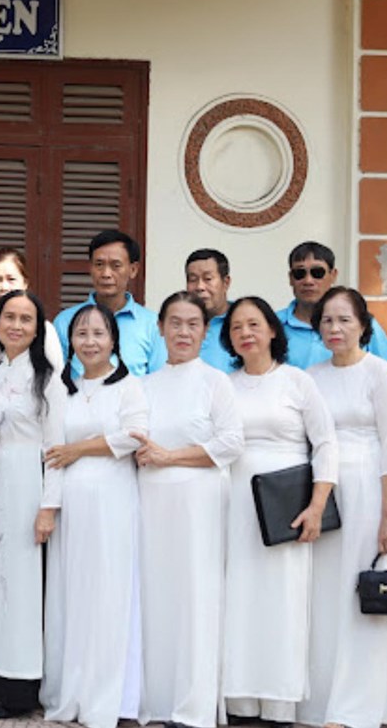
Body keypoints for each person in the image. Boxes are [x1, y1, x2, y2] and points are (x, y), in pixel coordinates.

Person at [219, 296, 338, 726]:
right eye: (236, 327)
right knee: (238, 599)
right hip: (235, 504)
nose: (245, 333)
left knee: (283, 602)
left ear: (272, 330)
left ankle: (279, 702)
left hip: (287, 506)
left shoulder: (297, 382)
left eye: (254, 324)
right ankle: (240, 701)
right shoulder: (224, 385)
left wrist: (317, 505)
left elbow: (325, 443)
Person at [298, 287, 387, 728]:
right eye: (327, 320)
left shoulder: (381, 375)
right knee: (324, 594)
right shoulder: (312, 377)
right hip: (323, 491)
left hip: (368, 492)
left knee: (363, 590)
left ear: (363, 325)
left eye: (344, 319)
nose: (335, 328)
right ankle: (320, 700)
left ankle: (358, 704)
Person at [136, 291, 244, 728]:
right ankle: (154, 700)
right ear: (160, 328)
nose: (183, 332)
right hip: (151, 501)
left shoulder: (216, 383)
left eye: (193, 324)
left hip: (200, 502)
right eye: (175, 323)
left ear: (205, 331)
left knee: (196, 598)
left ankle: (192, 706)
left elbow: (231, 443)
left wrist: (171, 456)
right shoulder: (143, 386)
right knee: (155, 596)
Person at [40, 303, 148, 728]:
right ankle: (72, 692)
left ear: (113, 341)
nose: (90, 342)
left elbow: (134, 436)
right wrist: (49, 509)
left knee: (109, 592)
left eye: (99, 333)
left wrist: (80, 449)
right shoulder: (60, 390)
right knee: (72, 594)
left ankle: (110, 696)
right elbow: (52, 453)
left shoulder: (129, 387)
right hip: (73, 508)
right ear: (71, 342)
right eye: (81, 334)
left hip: (114, 501)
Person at [0, 290, 66, 720]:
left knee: (22, 587)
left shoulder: (49, 380)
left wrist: (48, 506)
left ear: (38, 329)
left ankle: (19, 688)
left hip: (27, 483)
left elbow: (56, 448)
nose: (16, 326)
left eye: (27, 319)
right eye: (10, 317)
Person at [275, 241, 387, 387]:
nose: (308, 280)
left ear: (333, 275)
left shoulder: (359, 322)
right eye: (300, 273)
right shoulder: (273, 325)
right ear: (290, 278)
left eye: (317, 273)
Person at [52, 230, 165, 377]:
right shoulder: (65, 321)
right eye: (99, 264)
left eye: (115, 265)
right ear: (90, 268)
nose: (106, 274)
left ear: (133, 270)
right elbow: (54, 380)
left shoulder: (152, 325)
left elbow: (159, 381)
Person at [0, 248, 64, 367]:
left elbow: (55, 374)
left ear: (25, 283)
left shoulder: (44, 330)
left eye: (11, 279)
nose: (3, 287)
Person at [184, 248, 234, 372]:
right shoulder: (178, 325)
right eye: (193, 279)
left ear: (226, 283)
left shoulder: (241, 322)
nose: (200, 287)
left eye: (208, 279)